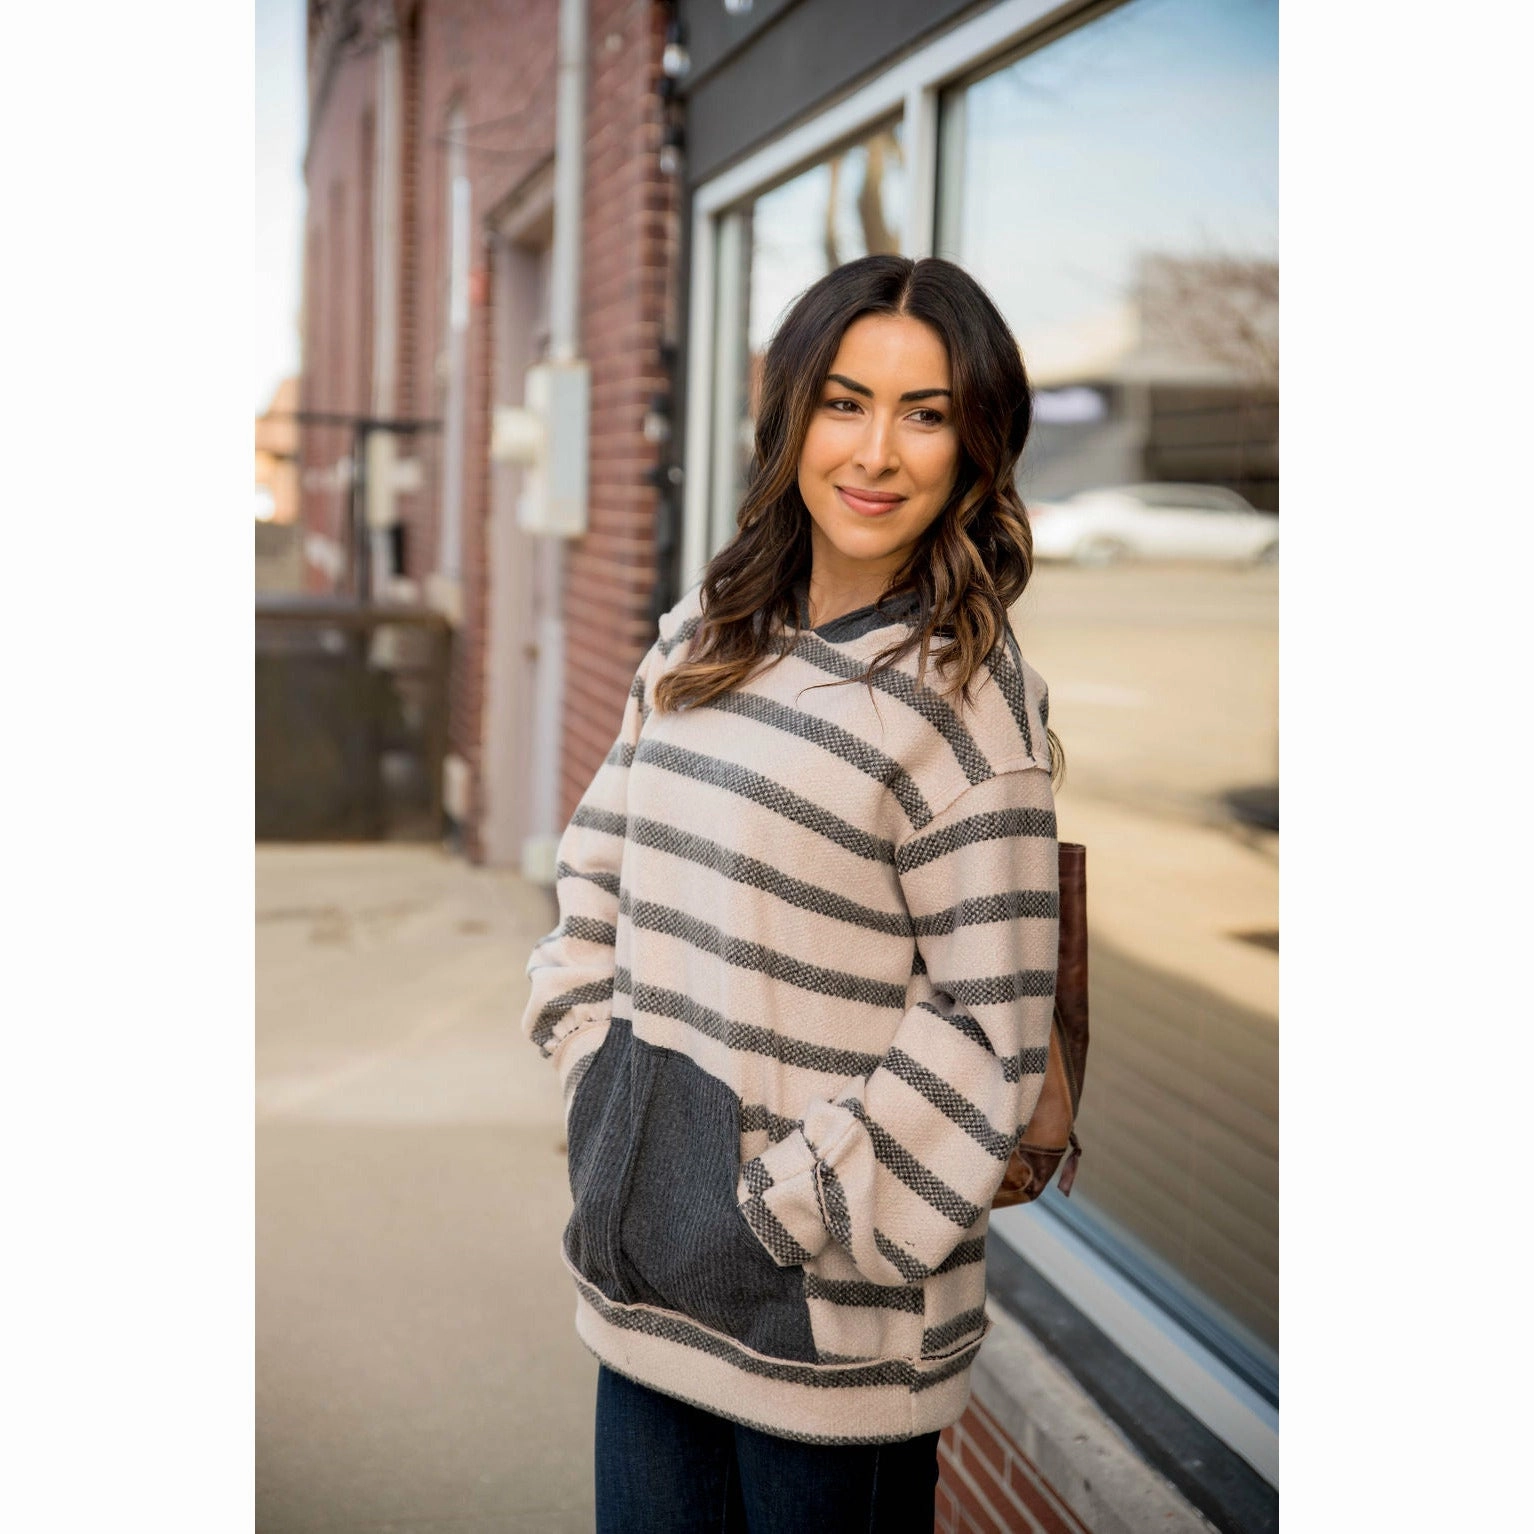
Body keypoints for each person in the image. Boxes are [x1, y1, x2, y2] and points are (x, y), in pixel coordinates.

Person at [520, 253, 1063, 1533]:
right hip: (648, 1296)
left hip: (830, 1343)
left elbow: (992, 1029)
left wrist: (777, 1210)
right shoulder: (704, 632)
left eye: (924, 413)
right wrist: (597, 1075)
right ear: (789, 423)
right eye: (842, 401)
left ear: (974, 446)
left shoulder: (966, 704)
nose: (877, 451)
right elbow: (597, 866)